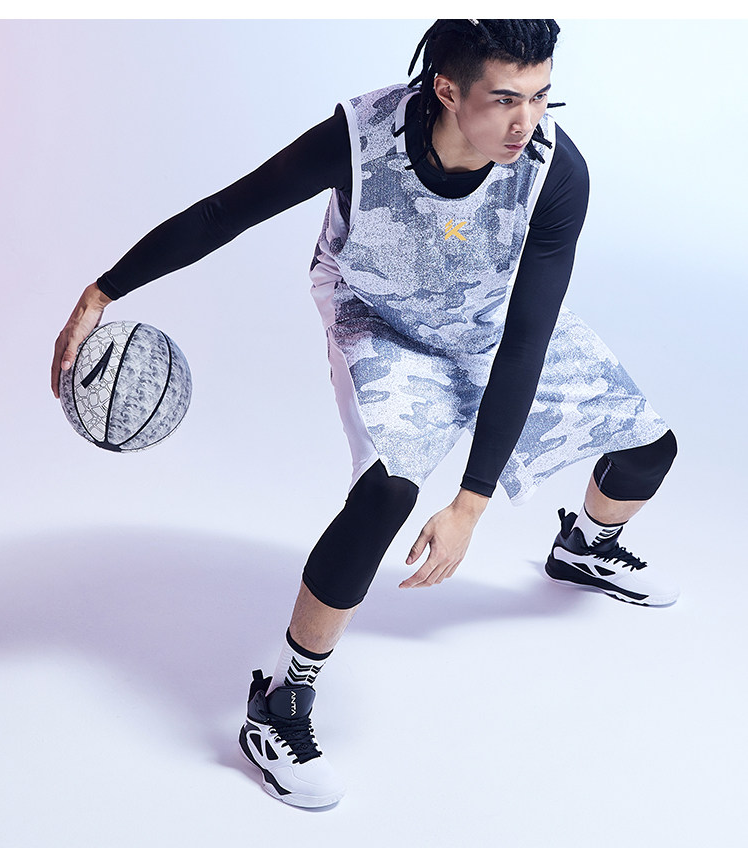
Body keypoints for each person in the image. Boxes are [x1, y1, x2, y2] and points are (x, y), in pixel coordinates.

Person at [51, 19, 678, 810]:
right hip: (379, 319)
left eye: (541, 98)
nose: (527, 121)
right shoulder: (360, 139)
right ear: (447, 90)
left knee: (650, 450)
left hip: (487, 321)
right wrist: (102, 289)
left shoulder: (556, 171)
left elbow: (526, 337)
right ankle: (280, 706)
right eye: (505, 100)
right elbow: (223, 213)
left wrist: (472, 502)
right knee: (387, 493)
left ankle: (586, 547)